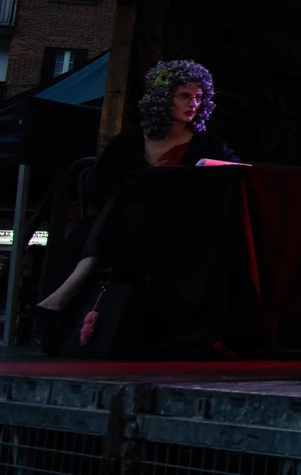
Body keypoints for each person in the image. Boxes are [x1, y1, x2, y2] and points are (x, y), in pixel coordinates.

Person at [32, 59, 242, 325]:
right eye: (184, 96)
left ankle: (72, 286)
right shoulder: (128, 143)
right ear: (163, 98)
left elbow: (236, 175)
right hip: (124, 225)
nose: (193, 103)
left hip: (181, 226)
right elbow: (101, 188)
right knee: (126, 202)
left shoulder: (209, 145)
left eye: (199, 97)